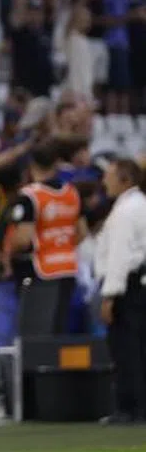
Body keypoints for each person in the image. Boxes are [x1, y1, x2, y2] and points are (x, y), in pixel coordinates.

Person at [5, 139, 87, 334]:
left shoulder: (30, 196)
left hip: (40, 272)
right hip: (67, 268)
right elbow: (82, 232)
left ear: (32, 164)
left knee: (36, 334)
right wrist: (62, 246)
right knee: (57, 331)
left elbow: (23, 239)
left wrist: (8, 250)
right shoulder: (71, 192)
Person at [95, 158, 146, 424]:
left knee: (126, 349)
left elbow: (120, 256)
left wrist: (109, 295)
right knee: (139, 348)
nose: (105, 181)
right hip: (139, 284)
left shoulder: (126, 210)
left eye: (110, 176)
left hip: (127, 287)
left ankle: (129, 407)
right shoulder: (139, 204)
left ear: (125, 179)